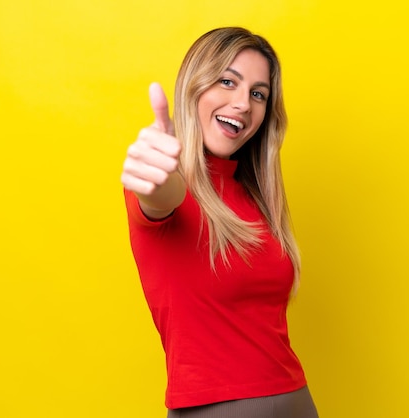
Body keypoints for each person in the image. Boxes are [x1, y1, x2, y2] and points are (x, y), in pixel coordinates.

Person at [121, 27, 318, 418]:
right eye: (227, 81)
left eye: (258, 94)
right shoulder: (169, 183)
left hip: (296, 398)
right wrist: (154, 176)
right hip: (214, 408)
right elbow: (160, 196)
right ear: (194, 84)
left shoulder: (257, 195)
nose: (243, 103)